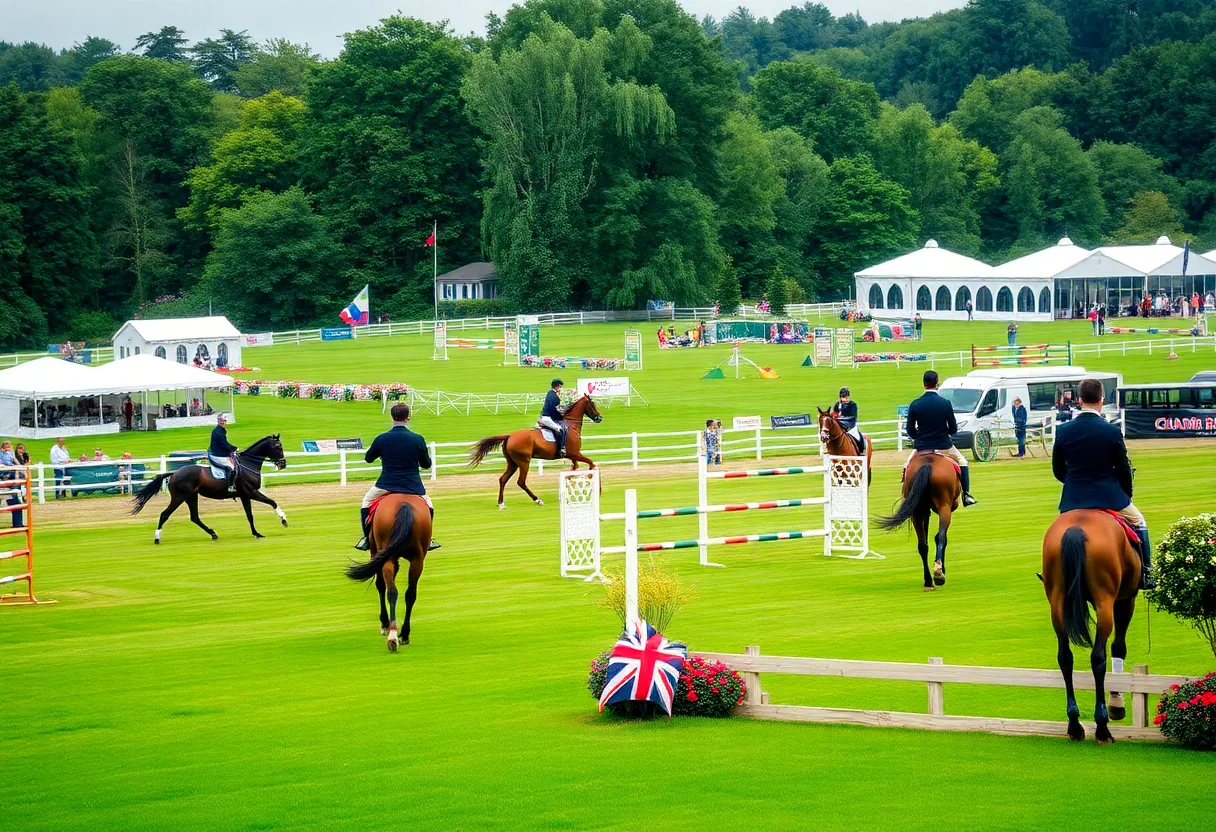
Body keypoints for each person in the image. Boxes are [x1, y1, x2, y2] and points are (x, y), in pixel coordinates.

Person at [1053, 378, 1153, 589]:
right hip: (1110, 496)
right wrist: (1126, 494)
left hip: (1073, 499)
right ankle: (1146, 572)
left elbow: (1058, 470)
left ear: (1080, 400)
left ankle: (1053, 574)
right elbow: (1124, 469)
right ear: (1101, 400)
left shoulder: (1063, 431)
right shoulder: (1111, 431)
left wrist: (1074, 483)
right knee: (1140, 522)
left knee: (1058, 536)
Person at [355, 402, 439, 551]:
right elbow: (426, 465)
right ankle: (429, 538)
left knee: (366, 502)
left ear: (392, 417)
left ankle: (367, 538)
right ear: (408, 417)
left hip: (386, 484)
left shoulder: (382, 438)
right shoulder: (417, 439)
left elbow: (368, 458)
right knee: (429, 506)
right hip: (413, 486)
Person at [905, 370, 976, 506]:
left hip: (922, 446)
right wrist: (943, 433)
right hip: (943, 445)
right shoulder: (945, 403)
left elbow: (910, 430)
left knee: (907, 466)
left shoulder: (915, 404)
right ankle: (966, 495)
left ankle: (906, 495)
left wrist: (919, 438)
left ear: (924, 384)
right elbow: (953, 429)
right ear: (937, 383)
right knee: (963, 462)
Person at [208, 413, 239, 496]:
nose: (222, 422)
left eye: (223, 421)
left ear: (225, 421)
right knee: (231, 468)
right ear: (218, 421)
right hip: (216, 455)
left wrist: (233, 448)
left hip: (218, 453)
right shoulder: (218, 432)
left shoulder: (220, 430)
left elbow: (225, 444)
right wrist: (234, 448)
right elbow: (224, 445)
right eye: (220, 421)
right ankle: (230, 487)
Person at [539, 379, 567, 459]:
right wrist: (561, 415)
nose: (560, 388)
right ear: (557, 386)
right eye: (560, 386)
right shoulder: (553, 396)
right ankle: (561, 448)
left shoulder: (550, 393)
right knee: (560, 429)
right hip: (547, 418)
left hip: (545, 416)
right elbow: (552, 409)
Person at [830, 387, 863, 451]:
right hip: (840, 424)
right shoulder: (837, 405)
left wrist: (841, 418)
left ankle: (860, 448)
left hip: (850, 425)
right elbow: (835, 413)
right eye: (845, 397)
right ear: (841, 398)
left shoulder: (852, 405)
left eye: (847, 397)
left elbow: (853, 417)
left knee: (856, 436)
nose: (847, 399)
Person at [0, 441, 22, 529]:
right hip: (4, 475)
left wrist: (19, 468)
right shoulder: (1, 454)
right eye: (7, 445)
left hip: (9, 477)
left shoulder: (10, 453)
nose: (9, 447)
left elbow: (15, 462)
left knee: (15, 501)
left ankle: (18, 524)